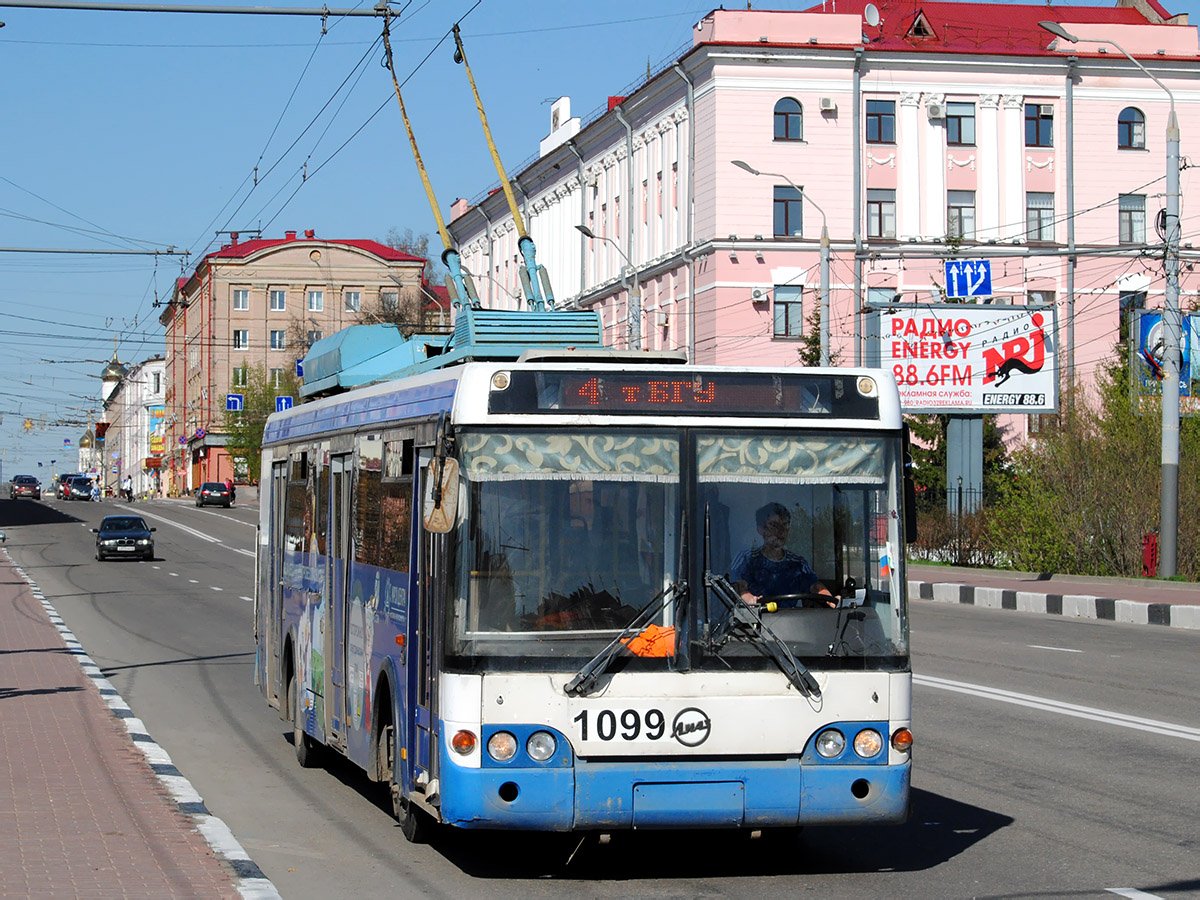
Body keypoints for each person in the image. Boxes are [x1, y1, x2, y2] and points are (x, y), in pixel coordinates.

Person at [730, 502, 835, 607]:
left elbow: (815, 586)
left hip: (790, 621)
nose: (781, 531)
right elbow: (738, 585)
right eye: (774, 525)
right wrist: (748, 598)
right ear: (760, 529)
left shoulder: (798, 563)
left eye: (785, 525)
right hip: (755, 620)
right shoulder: (746, 558)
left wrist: (831, 600)